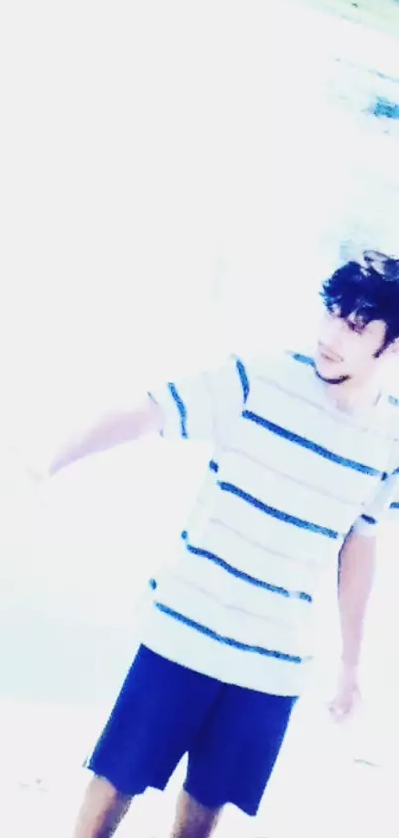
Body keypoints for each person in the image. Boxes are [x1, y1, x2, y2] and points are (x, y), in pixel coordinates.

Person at [48, 250, 399, 838]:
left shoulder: (389, 439)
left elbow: (359, 548)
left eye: (357, 326)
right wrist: (52, 462)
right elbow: (150, 411)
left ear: (391, 348)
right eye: (332, 314)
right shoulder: (261, 379)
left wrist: (350, 664)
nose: (332, 335)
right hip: (186, 629)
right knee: (113, 787)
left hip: (274, 660)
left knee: (203, 815)